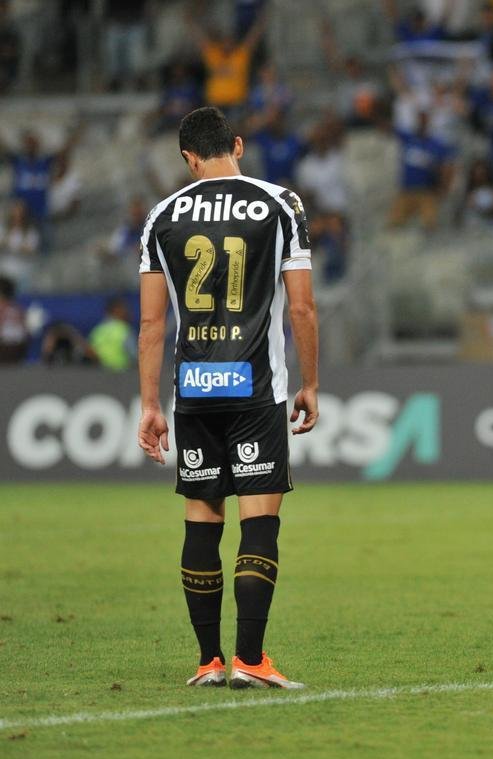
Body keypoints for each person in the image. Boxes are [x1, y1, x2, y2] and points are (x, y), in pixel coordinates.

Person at [137, 107, 319, 688]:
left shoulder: (162, 216)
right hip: (256, 387)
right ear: (237, 145)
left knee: (201, 520)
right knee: (259, 522)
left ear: (188, 158)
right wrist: (311, 384)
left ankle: (208, 662)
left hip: (192, 390)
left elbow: (151, 324)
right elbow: (301, 307)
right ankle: (251, 660)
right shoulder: (280, 204)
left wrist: (149, 405)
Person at [89, 296, 135, 371]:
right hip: (122, 371)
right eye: (124, 309)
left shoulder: (99, 329)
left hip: (101, 371)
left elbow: (91, 351)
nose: (128, 312)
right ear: (116, 311)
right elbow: (133, 354)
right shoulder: (125, 330)